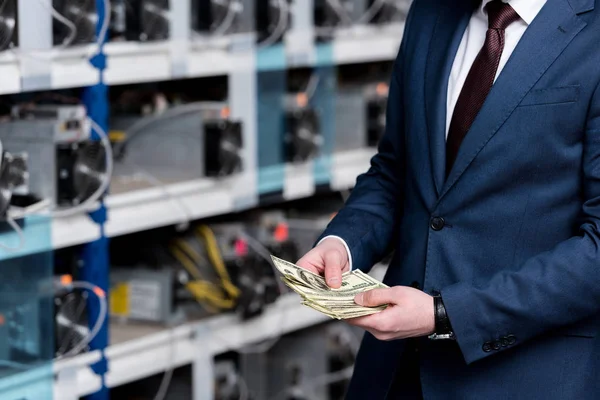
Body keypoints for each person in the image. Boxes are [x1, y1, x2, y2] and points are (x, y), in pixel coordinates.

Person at [296, 0, 600, 398]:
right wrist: (343, 243)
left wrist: (446, 314)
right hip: (394, 370)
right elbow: (396, 170)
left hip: (523, 375)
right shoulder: (431, 12)